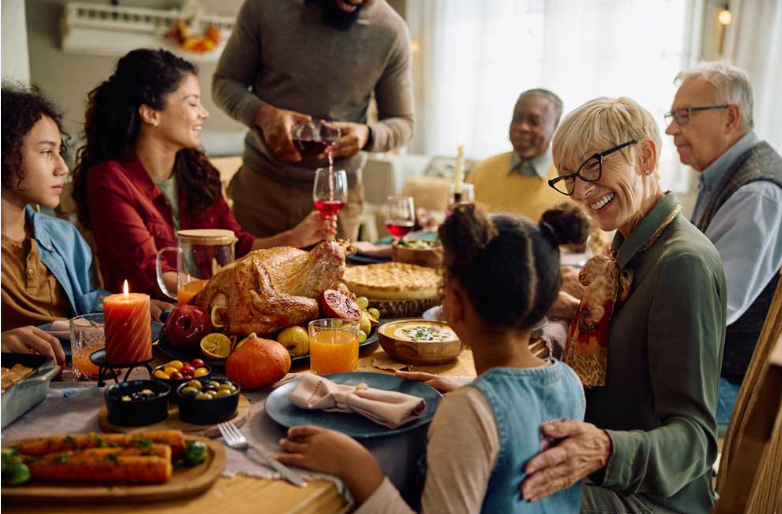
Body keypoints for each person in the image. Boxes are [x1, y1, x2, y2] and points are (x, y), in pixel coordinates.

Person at [276, 202, 590, 513]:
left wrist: (356, 466)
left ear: (453, 306)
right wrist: (475, 390)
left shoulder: (466, 412)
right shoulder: (569, 379)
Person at [72, 49, 335, 299]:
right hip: (149, 321)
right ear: (151, 113)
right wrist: (236, 292)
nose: (204, 114)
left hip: (209, 309)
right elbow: (152, 275)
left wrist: (296, 237)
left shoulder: (196, 174)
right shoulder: (109, 181)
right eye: (193, 103)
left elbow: (236, 247)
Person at [213, 0, 414, 241]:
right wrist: (264, 115)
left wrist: (367, 135)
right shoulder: (263, 7)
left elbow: (403, 122)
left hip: (336, 201)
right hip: (261, 192)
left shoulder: (391, 30)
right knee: (245, 278)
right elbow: (224, 83)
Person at [0, 83, 166, 367]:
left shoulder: (64, 238)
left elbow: (86, 303)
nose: (62, 167)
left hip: (79, 371)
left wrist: (128, 307)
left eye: (59, 151)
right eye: (45, 152)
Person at [664, 62, 782, 426]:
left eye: (684, 115)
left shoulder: (757, 194)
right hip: (710, 367)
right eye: (672, 115)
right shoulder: (718, 173)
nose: (670, 129)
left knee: (610, 402)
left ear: (730, 118)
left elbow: (712, 306)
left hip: (731, 382)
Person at [467, 88, 567, 220]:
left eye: (534, 121)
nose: (522, 127)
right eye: (517, 119)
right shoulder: (483, 171)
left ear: (555, 127)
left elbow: (594, 239)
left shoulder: (569, 181)